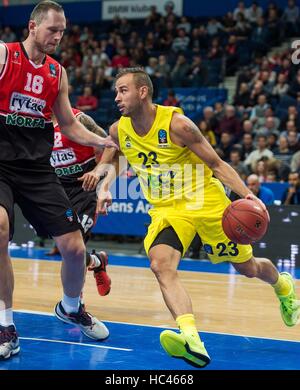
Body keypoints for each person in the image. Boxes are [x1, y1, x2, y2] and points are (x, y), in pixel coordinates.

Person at [97, 67, 300, 368]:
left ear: (143, 92)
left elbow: (217, 164)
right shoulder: (118, 130)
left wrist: (248, 195)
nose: (117, 97)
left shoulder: (178, 125)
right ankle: (191, 338)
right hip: (168, 209)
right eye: (115, 91)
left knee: (248, 267)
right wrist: (103, 187)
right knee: (160, 265)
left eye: (123, 90)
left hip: (206, 202)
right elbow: (110, 157)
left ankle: (283, 286)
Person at [0, 1, 117, 360]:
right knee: (0, 229)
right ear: (32, 27)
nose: (59, 36)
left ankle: (70, 306)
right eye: (53, 30)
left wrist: (102, 141)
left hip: (36, 168)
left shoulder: (57, 72)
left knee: (74, 248)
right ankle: (5, 324)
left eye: (63, 31)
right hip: (1, 164)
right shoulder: (5, 56)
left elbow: (68, 124)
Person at [48, 107, 111, 297]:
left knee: (75, 246)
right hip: (57, 190)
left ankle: (75, 304)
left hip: (85, 187)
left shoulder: (78, 119)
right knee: (68, 249)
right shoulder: (36, 122)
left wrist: (100, 176)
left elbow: (110, 144)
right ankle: (97, 261)